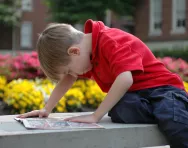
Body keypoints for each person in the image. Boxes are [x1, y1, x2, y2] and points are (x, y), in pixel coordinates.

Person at [18, 19, 188, 147]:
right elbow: (67, 79)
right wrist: (47, 109)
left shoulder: (109, 41)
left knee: (174, 122)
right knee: (119, 110)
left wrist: (95, 115)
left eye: (69, 69)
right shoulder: (86, 57)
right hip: (138, 96)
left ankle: (175, 110)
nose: (72, 75)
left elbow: (125, 78)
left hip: (164, 89)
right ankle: (164, 112)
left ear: (75, 51)